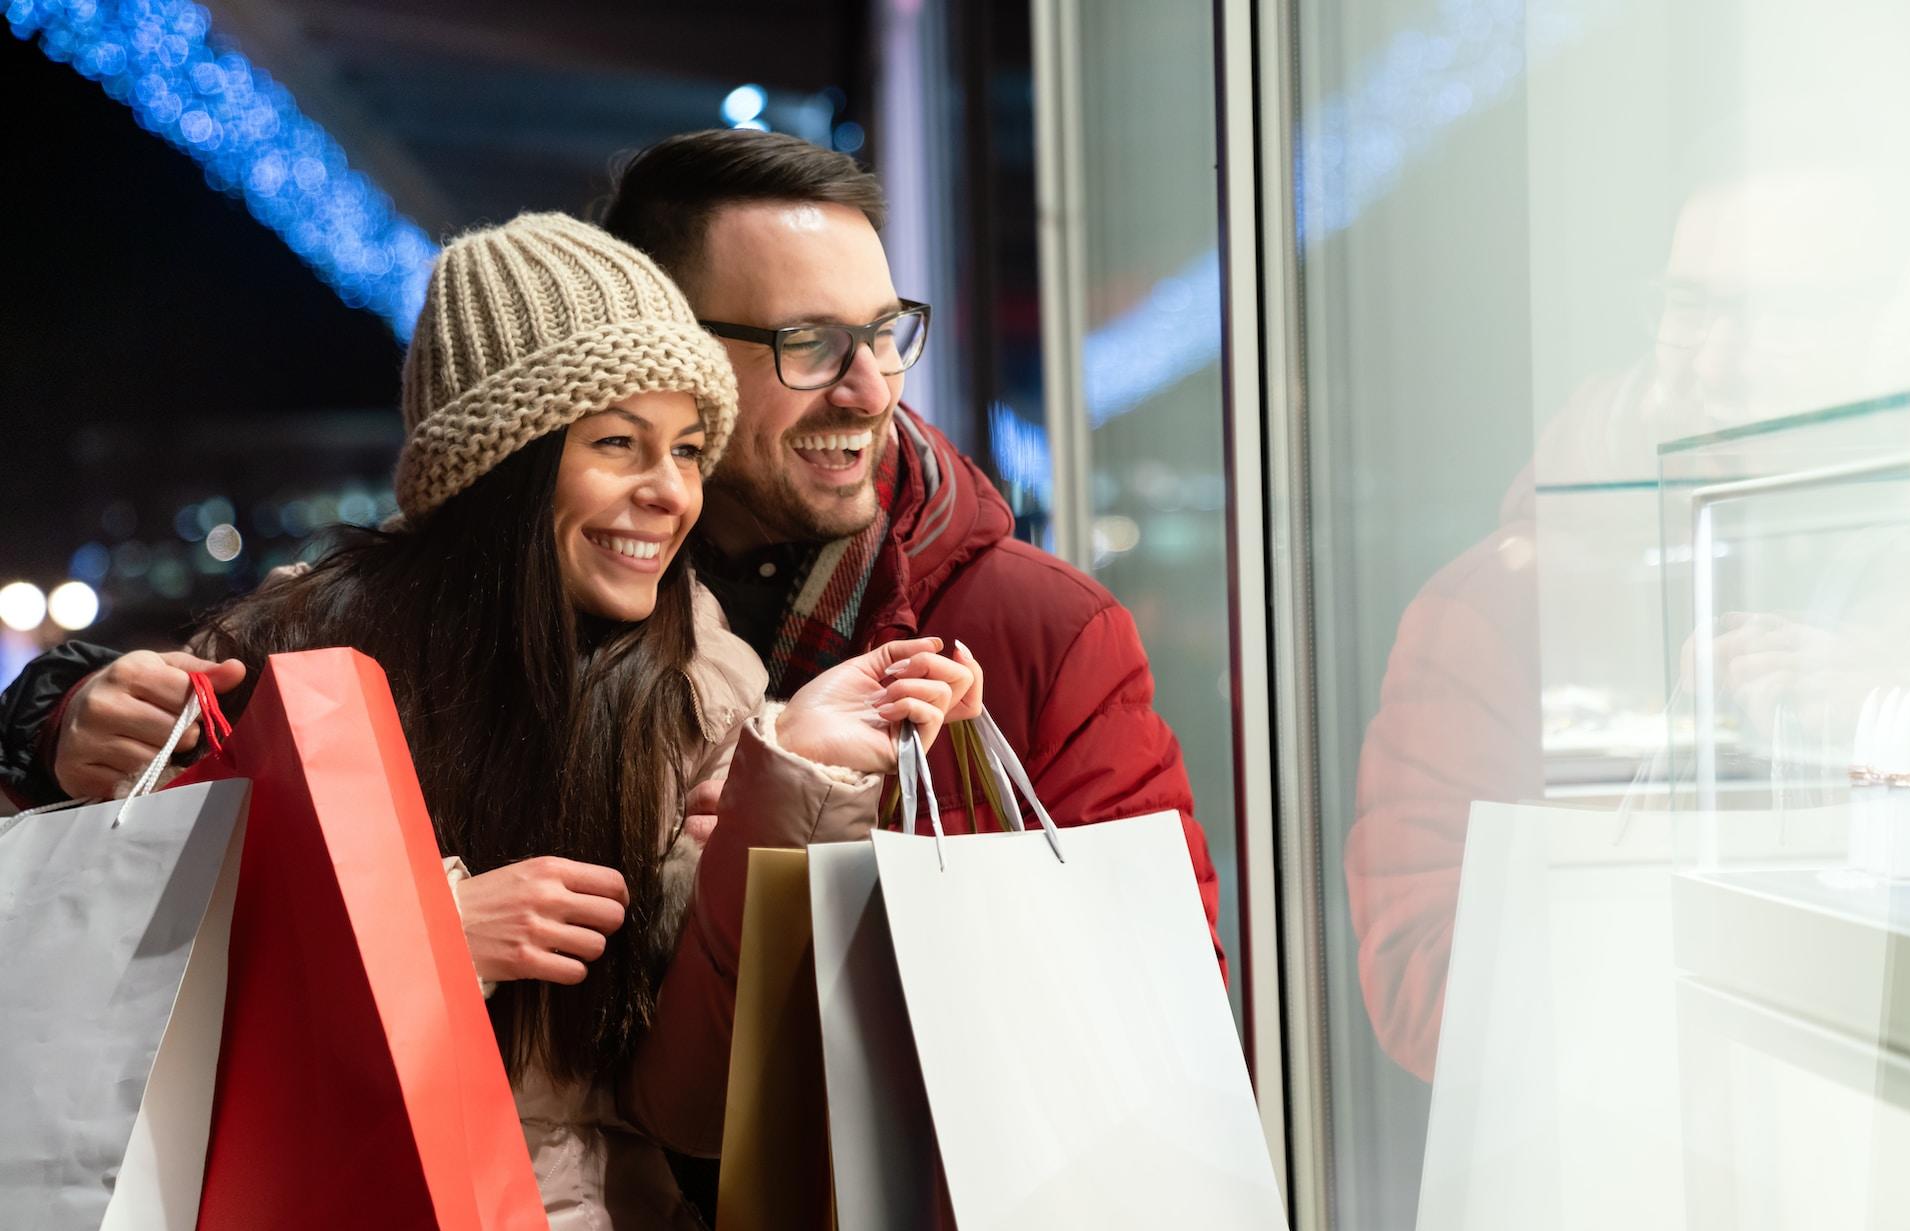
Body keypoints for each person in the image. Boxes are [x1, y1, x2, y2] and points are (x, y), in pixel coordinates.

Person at [9, 212, 981, 1231]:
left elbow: (691, 1105)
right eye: (618, 443)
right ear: (501, 464)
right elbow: (135, 997)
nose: (670, 492)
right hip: (303, 1230)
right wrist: (418, 944)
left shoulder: (704, 688)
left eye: (690, 449)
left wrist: (796, 775)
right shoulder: (283, 657)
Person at [1, 128, 1225, 968]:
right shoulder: (496, 614)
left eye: (884, 332)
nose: (870, 389)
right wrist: (57, 720)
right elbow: (135, 884)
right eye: (807, 341)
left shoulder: (1034, 629)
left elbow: (1154, 977)